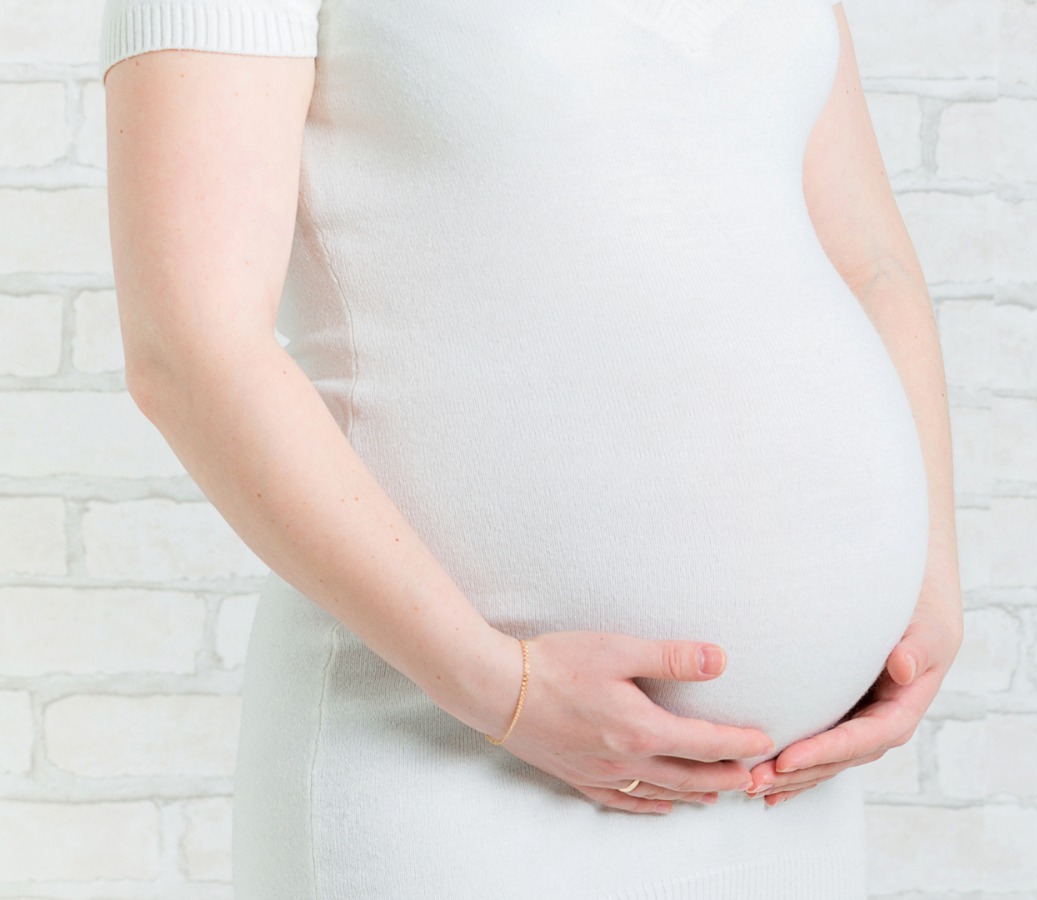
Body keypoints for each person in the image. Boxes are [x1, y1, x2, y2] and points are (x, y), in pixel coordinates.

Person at [100, 0, 964, 896]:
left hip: (784, 798)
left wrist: (929, 585)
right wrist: (500, 692)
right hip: (442, 750)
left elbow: (870, 263)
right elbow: (189, 352)